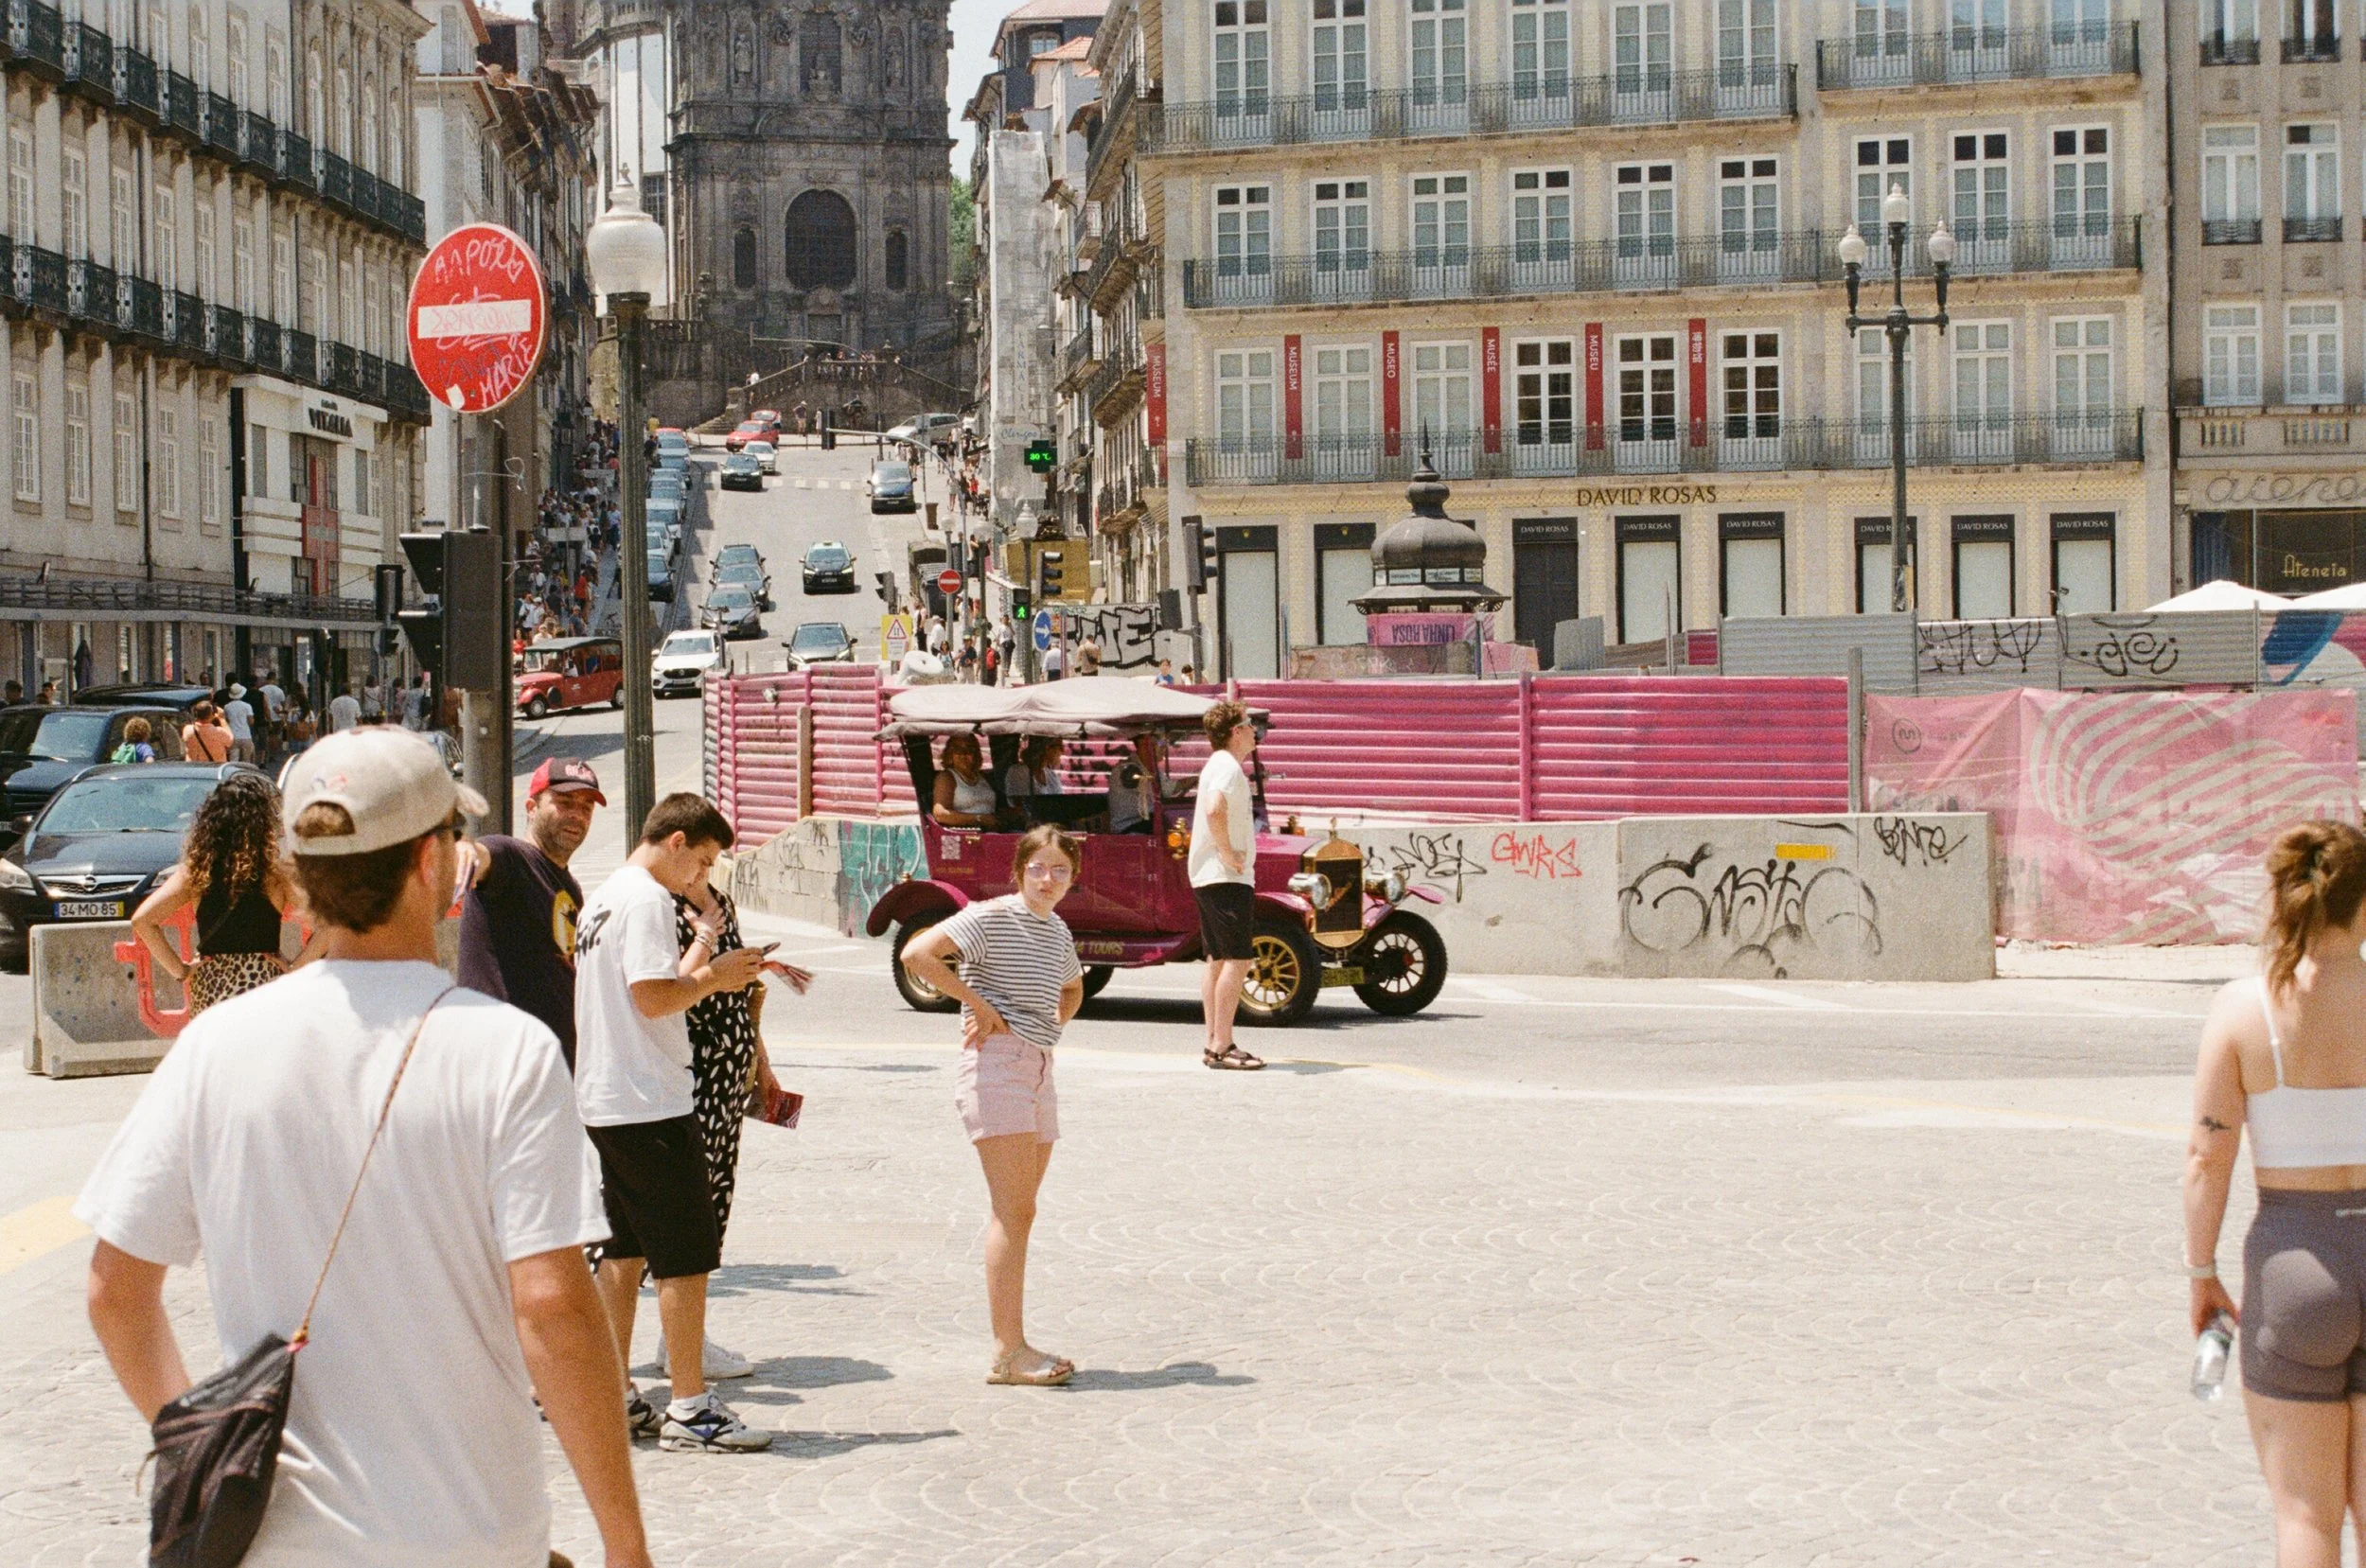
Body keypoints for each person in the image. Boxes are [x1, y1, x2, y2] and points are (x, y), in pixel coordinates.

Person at [79, 728, 654, 1567]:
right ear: (431, 862)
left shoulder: (215, 1045)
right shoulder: (509, 1053)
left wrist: (210, 1458)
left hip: (276, 1542)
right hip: (468, 1532)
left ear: (305, 876)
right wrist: (625, 1544)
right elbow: (553, 1309)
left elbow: (114, 1291)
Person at [2187, 821, 2366, 1566]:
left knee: (2305, 1516)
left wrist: (2201, 1275)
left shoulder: (2242, 1008)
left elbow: (2207, 1156)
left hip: (2295, 1268)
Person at [574, 793, 772, 1453]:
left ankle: (614, 1391)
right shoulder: (649, 900)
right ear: (678, 841)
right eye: (704, 861)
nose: (702, 877)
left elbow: (652, 983)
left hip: (607, 1095)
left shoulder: (606, 895)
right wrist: (717, 977)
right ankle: (691, 1406)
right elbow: (654, 996)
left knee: (623, 1253)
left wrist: (711, 944)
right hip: (648, 1099)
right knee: (685, 1256)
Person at [900, 825, 1086, 1387]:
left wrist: (1052, 1023)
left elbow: (1073, 987)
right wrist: (977, 1004)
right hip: (996, 1065)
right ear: (1019, 870)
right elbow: (918, 954)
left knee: (1022, 1210)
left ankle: (1014, 1345)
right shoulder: (991, 916)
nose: (1047, 879)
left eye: (1060, 870)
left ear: (1072, 878)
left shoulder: (1056, 931)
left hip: (1038, 1066)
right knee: (1012, 1211)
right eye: (1038, 868)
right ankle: (1008, 1352)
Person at [671, 876, 810, 1379]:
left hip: (731, 1076)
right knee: (681, 1217)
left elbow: (745, 997)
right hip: (690, 1074)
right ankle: (670, 1344)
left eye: (712, 859)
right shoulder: (663, 906)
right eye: (700, 854)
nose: (705, 867)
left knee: (713, 1208)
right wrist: (706, 947)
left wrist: (761, 1066)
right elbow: (666, 991)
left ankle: (686, 1338)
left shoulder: (720, 903)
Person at [131, 771, 327, 1013]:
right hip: (264, 986)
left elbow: (142, 920)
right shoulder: (274, 874)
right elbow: (330, 923)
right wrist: (296, 967)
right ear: (262, 824)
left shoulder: (194, 872)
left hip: (212, 989)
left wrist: (181, 971)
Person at [457, 756, 602, 1071]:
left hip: (551, 1069)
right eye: (564, 802)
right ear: (531, 807)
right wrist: (465, 851)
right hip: (504, 1066)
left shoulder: (570, 887)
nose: (577, 815)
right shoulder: (511, 857)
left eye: (586, 807)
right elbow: (482, 856)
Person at [1190, 701, 1263, 1071]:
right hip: (1225, 875)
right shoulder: (1228, 768)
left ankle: (1212, 1042)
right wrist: (1229, 852)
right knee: (1238, 958)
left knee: (1217, 960)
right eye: (1249, 725)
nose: (1255, 731)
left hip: (1210, 875)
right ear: (1236, 731)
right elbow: (1215, 810)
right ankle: (1223, 1043)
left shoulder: (1217, 765)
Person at [933, 733, 1002, 829]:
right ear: (950, 754)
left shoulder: (984, 777)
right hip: (967, 834)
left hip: (993, 830)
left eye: (969, 750)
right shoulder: (947, 778)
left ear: (976, 754)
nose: (963, 754)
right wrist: (979, 819)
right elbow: (941, 814)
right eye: (957, 749)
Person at [1105, 734, 1164, 835]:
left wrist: (1195, 780)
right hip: (1128, 827)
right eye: (1160, 744)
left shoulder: (1150, 768)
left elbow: (1169, 788)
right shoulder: (1128, 770)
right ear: (1145, 746)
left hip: (1145, 822)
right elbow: (1161, 793)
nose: (1163, 748)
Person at [1005, 737, 1066, 801]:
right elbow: (1020, 805)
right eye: (1060, 748)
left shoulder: (1052, 776)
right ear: (1047, 748)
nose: (1063, 752)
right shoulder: (1018, 772)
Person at [180, 699, 234, 763]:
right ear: (212, 714)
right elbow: (230, 740)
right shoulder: (219, 732)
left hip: (193, 768)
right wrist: (222, 719)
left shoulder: (187, 730)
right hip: (214, 768)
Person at [221, 683, 257, 763]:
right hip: (245, 735)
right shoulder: (247, 706)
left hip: (232, 736)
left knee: (233, 760)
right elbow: (251, 722)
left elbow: (226, 720)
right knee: (246, 761)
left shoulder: (227, 706)